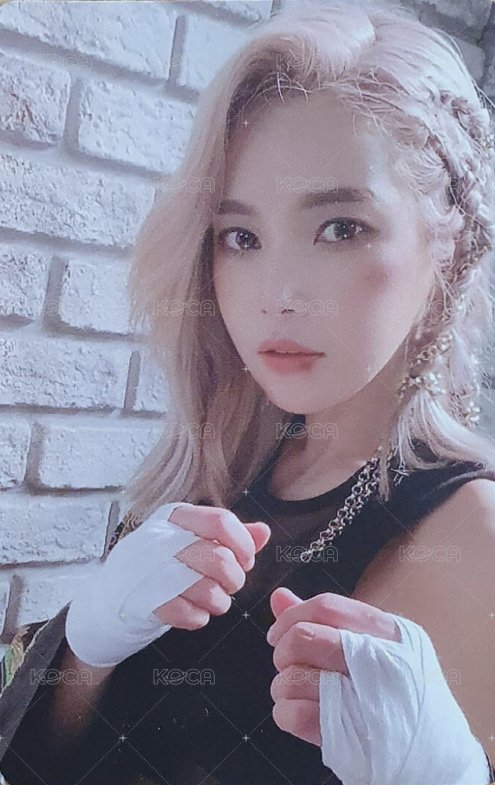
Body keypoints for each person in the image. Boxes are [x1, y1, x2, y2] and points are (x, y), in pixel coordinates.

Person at [1, 0, 495, 783]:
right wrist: (83, 642)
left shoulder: (475, 539)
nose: (277, 295)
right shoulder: (210, 467)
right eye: (241, 237)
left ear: (449, 245)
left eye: (339, 227)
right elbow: (44, 762)